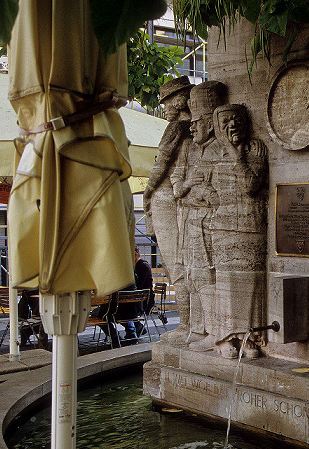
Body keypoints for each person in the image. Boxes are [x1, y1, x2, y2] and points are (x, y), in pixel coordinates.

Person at [203, 103, 268, 359]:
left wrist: (235, 154)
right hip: (223, 228)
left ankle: (248, 335)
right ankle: (225, 337)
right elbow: (199, 186)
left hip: (251, 227)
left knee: (250, 285)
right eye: (226, 121)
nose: (232, 125)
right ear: (219, 127)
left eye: (236, 120)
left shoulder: (255, 149)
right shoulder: (212, 154)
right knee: (226, 285)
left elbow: (250, 184)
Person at [172, 81, 227, 345]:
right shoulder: (189, 148)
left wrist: (197, 190)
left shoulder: (221, 148)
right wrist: (188, 186)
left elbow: (221, 191)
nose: (192, 126)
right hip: (188, 219)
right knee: (193, 275)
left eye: (199, 121)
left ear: (211, 122)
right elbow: (177, 181)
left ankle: (215, 332)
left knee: (207, 275)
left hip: (208, 221)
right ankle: (197, 329)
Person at [144, 76, 194, 346]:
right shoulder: (191, 129)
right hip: (173, 200)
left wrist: (147, 192)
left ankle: (187, 325)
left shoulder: (178, 128)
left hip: (165, 199)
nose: (163, 108)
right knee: (180, 265)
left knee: (177, 266)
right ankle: (189, 324)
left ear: (178, 100)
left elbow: (162, 163)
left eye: (165, 103)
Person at [133, 245, 153, 337]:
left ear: (136, 255)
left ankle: (134, 330)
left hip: (144, 301)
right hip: (138, 300)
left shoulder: (142, 266)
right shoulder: (138, 266)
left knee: (115, 311)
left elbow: (138, 286)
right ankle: (135, 330)